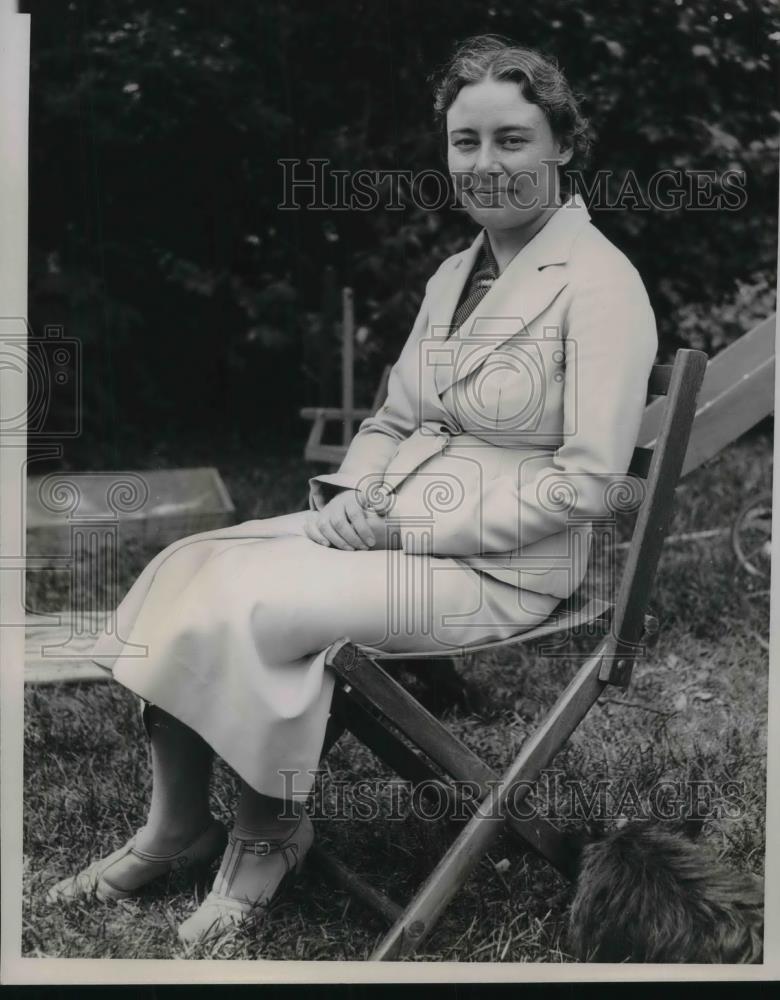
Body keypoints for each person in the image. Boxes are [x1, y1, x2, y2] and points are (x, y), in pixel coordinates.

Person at [46, 34, 658, 948]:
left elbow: (587, 485)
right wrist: (352, 500)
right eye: (465, 142)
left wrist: (403, 532)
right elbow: (394, 416)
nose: (485, 165)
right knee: (188, 559)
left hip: (503, 563)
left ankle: (268, 835)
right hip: (389, 525)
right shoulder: (457, 274)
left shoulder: (602, 284)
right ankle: (177, 828)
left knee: (263, 606)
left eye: (512, 140)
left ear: (564, 145)